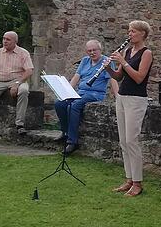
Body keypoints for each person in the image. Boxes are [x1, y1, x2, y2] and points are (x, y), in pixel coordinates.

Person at [105, 20, 153, 197]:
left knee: (132, 140)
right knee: (123, 141)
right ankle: (129, 179)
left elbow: (139, 77)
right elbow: (119, 77)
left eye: (133, 31)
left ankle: (138, 183)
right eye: (129, 31)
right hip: (123, 97)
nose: (130, 34)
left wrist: (124, 62)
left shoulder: (146, 53)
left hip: (137, 99)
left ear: (142, 34)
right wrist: (109, 68)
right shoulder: (127, 51)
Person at [54, 40, 117, 155]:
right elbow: (76, 77)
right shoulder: (85, 60)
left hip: (95, 94)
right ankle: (65, 132)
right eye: (89, 51)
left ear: (100, 50)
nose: (92, 53)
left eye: (94, 50)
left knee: (74, 106)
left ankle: (72, 142)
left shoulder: (107, 61)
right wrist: (66, 92)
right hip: (81, 92)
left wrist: (117, 97)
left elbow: (113, 79)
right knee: (59, 103)